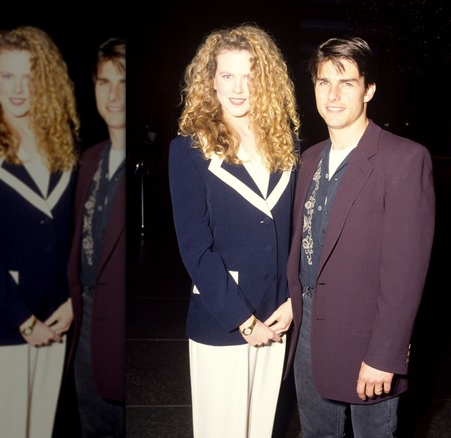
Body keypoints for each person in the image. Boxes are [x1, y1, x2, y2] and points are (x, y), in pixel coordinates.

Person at [286, 36, 435, 437]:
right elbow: (304, 248)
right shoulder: (309, 158)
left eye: (346, 82)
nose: (332, 95)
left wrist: (386, 354)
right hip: (308, 336)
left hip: (368, 342)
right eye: (323, 82)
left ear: (368, 88)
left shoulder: (404, 159)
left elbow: (405, 273)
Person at [167, 24, 300, 438]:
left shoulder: (286, 144)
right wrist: (244, 320)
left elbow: (297, 233)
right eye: (227, 75)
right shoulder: (189, 148)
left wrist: (294, 300)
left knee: (261, 429)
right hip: (224, 318)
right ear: (211, 80)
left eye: (250, 75)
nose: (239, 88)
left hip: (277, 317)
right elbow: (195, 249)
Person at [0, 26, 78, 438]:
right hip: (3, 319)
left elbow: (74, 236)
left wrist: (73, 301)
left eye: (29, 76)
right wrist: (24, 320)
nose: (19, 89)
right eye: (8, 76)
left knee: (40, 430)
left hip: (56, 319)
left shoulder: (63, 144)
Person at [67, 37, 126, 437]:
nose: (114, 94)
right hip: (84, 324)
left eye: (123, 81)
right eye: (104, 82)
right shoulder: (88, 160)